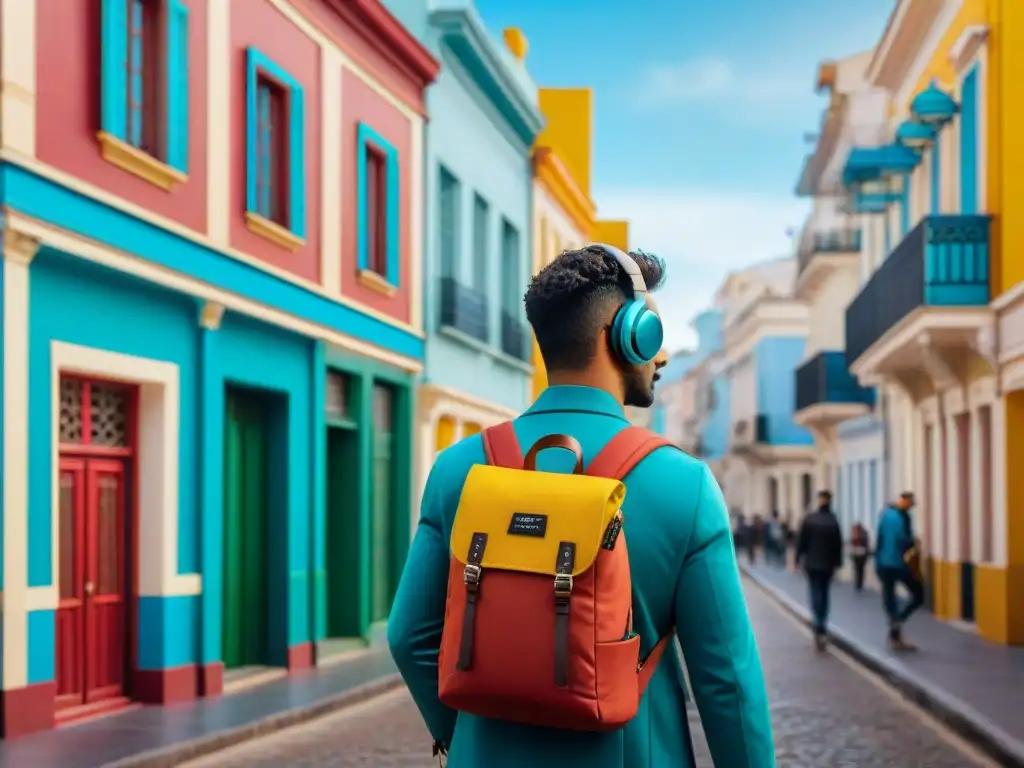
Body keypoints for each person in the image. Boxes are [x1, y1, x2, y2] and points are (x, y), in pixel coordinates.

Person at [388, 245, 774, 767]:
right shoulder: (686, 485)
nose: (661, 357)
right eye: (654, 337)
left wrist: (465, 741)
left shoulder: (459, 468)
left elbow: (410, 635)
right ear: (624, 334)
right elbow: (728, 683)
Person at [875, 492, 924, 651]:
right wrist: (914, 542)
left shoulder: (885, 515)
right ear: (904, 501)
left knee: (890, 598)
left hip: (883, 564)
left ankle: (895, 629)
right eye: (910, 503)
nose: (911, 507)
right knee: (919, 594)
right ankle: (898, 623)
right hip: (897, 564)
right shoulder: (901, 518)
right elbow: (903, 541)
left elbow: (879, 539)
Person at [796, 491, 843, 651]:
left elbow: (801, 541)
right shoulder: (833, 520)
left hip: (812, 563)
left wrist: (798, 559)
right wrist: (838, 563)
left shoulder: (810, 519)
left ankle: (818, 623)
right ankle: (821, 622)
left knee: (815, 592)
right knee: (824, 593)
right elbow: (838, 544)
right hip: (827, 564)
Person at [850, 522, 871, 592]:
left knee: (857, 569)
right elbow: (867, 544)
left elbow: (852, 543)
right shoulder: (864, 534)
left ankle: (858, 583)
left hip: (856, 554)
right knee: (861, 569)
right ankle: (860, 583)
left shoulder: (855, 534)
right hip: (862, 554)